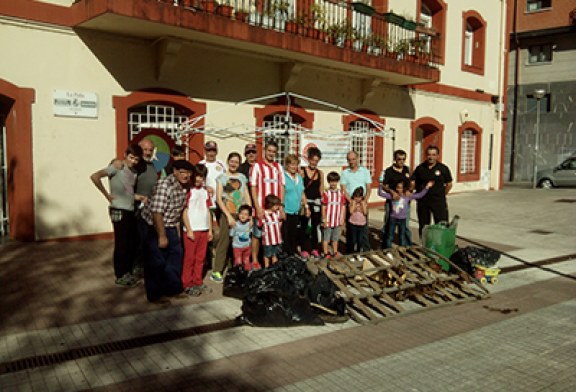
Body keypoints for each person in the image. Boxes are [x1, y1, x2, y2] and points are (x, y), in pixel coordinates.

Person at [90, 144, 145, 288]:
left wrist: (138, 197)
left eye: (136, 159)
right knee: (121, 244)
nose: (133, 161)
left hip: (130, 210)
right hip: (118, 210)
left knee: (131, 243)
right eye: (131, 157)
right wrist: (107, 195)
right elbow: (95, 177)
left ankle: (127, 272)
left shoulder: (134, 172)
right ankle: (120, 276)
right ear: (125, 154)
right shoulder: (116, 167)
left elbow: (128, 191)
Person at [141, 159, 194, 304]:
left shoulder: (185, 186)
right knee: (156, 261)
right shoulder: (164, 185)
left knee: (175, 257)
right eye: (183, 172)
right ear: (175, 171)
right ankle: (155, 294)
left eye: (189, 173)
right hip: (155, 226)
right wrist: (162, 235)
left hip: (171, 225)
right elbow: (156, 212)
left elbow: (179, 210)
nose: (186, 176)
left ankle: (173, 289)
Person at [214, 152, 253, 280]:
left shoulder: (242, 177)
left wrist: (250, 214)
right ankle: (217, 270)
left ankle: (236, 267)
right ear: (228, 161)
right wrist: (228, 216)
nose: (234, 164)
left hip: (241, 214)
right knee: (224, 241)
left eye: (236, 162)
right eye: (232, 161)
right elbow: (219, 199)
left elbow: (246, 195)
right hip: (227, 213)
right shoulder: (222, 177)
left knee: (240, 242)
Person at [250, 141, 285, 265]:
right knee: (257, 235)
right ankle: (255, 260)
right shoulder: (257, 166)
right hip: (261, 208)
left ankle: (272, 261)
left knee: (273, 234)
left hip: (274, 210)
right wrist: (257, 207)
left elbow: (282, 187)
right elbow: (253, 187)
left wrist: (281, 207)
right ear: (264, 151)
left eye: (274, 152)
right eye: (269, 151)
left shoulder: (278, 167)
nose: (271, 154)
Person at [182, 164, 213, 297]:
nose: (200, 179)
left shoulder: (205, 191)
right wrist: (188, 229)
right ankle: (187, 283)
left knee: (200, 258)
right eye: (198, 176)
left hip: (204, 228)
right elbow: (184, 211)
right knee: (190, 258)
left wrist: (210, 230)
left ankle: (197, 281)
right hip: (192, 229)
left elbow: (208, 211)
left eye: (202, 176)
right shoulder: (188, 190)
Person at [411, 145, 453, 238]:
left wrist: (442, 194)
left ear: (437, 156)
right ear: (426, 155)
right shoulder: (420, 168)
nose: (431, 157)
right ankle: (425, 245)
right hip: (423, 201)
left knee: (442, 225)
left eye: (433, 155)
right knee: (424, 225)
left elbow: (449, 184)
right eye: (429, 155)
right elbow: (413, 182)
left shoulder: (443, 168)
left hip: (438, 201)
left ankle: (440, 246)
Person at [379, 180, 433, 248]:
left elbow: (419, 195)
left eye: (401, 188)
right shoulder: (393, 196)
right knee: (390, 235)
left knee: (402, 236)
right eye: (397, 187)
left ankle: (402, 249)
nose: (399, 189)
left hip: (403, 219)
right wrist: (381, 185)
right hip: (393, 218)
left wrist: (427, 187)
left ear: (404, 188)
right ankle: (388, 249)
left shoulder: (407, 196)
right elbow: (380, 193)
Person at [134, 138, 159, 277]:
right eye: (145, 149)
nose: (148, 152)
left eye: (150, 150)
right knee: (138, 239)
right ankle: (137, 267)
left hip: (151, 208)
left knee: (149, 239)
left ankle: (146, 265)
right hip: (137, 208)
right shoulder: (135, 164)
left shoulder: (152, 165)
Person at [379, 149, 414, 247]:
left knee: (405, 225)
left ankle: (407, 246)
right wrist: (392, 192)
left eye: (403, 159)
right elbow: (384, 186)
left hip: (404, 203)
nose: (401, 161)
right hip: (391, 202)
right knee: (388, 224)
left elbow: (412, 183)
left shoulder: (407, 170)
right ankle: (386, 246)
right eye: (399, 159)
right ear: (395, 159)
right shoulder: (389, 171)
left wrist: (409, 190)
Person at [340, 151, 372, 253]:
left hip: (362, 203)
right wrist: (351, 202)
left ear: (357, 159)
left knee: (364, 229)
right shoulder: (345, 173)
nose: (351, 161)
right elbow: (344, 189)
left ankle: (365, 251)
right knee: (351, 230)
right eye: (349, 160)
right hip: (351, 204)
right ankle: (350, 252)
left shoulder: (365, 171)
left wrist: (364, 201)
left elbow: (369, 187)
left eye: (353, 159)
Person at [283, 154, 310, 257]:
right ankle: (287, 255)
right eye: (292, 164)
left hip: (296, 211)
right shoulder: (283, 177)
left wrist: (306, 206)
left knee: (294, 234)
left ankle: (293, 254)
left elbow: (302, 193)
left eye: (296, 165)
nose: (294, 167)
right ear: (287, 165)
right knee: (286, 235)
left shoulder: (299, 178)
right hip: (287, 210)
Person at [301, 147, 324, 257]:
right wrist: (305, 205)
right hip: (305, 203)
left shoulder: (320, 173)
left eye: (316, 161)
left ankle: (314, 248)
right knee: (305, 227)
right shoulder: (302, 171)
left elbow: (321, 189)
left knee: (315, 226)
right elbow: (301, 188)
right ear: (308, 159)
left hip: (316, 204)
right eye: (312, 160)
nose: (314, 163)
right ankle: (304, 248)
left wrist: (324, 203)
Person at [321, 172, 346, 258]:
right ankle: (325, 253)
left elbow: (343, 207)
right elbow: (323, 207)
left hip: (337, 220)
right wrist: (324, 220)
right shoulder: (326, 193)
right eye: (331, 181)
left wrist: (342, 218)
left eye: (335, 181)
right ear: (328, 182)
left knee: (335, 238)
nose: (333, 183)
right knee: (326, 238)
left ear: (338, 182)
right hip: (328, 220)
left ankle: (335, 252)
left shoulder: (341, 194)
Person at [229, 204, 253, 271]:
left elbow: (251, 232)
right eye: (241, 213)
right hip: (237, 247)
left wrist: (251, 221)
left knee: (246, 261)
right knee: (238, 262)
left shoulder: (249, 224)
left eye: (245, 214)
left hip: (247, 247)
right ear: (238, 214)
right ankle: (237, 274)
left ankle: (247, 275)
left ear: (249, 217)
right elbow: (231, 234)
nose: (243, 216)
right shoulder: (235, 224)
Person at [261, 194, 283, 267]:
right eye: (276, 205)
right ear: (270, 205)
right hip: (268, 240)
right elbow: (260, 224)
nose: (277, 207)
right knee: (267, 255)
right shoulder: (264, 214)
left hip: (277, 239)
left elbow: (281, 220)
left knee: (275, 254)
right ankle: (266, 267)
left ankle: (274, 267)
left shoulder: (277, 213)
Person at [348, 187, 370, 254]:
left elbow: (365, 213)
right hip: (353, 224)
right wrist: (354, 204)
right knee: (353, 240)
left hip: (361, 224)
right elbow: (351, 211)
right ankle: (351, 253)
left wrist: (363, 205)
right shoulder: (352, 202)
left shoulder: (364, 203)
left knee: (360, 240)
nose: (357, 199)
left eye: (359, 197)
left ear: (362, 197)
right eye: (356, 197)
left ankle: (358, 252)